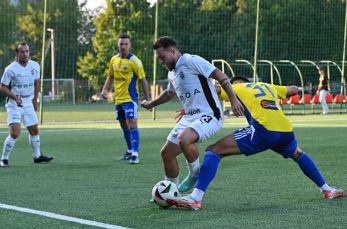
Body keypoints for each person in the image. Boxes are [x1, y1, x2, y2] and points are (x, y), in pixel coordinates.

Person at [168, 76, 344, 210]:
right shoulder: (266, 86)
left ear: (234, 83)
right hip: (285, 130)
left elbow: (211, 89)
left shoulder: (234, 87)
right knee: (298, 154)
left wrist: (192, 107)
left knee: (213, 151)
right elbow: (294, 89)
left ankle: (195, 198)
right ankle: (327, 189)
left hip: (264, 130)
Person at [141, 36, 243, 193]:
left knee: (184, 138)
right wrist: (151, 104)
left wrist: (233, 100)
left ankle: (195, 174)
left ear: (173, 51)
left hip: (211, 114)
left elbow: (221, 76)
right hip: (189, 117)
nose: (161, 62)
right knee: (166, 153)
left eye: (162, 57)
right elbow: (169, 94)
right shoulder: (172, 73)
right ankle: (170, 191)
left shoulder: (191, 61)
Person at [0, 42, 53, 167]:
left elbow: (37, 83)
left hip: (28, 102)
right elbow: (2, 87)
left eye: (27, 51)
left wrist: (35, 100)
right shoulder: (10, 69)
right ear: (17, 54)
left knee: (34, 130)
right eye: (22, 52)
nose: (25, 54)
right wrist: (14, 97)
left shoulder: (35, 65)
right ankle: (4, 159)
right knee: (15, 132)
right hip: (14, 104)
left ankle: (37, 156)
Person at [101, 33, 150, 164]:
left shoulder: (135, 61)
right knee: (124, 125)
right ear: (118, 45)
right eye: (121, 44)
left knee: (132, 123)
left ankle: (135, 153)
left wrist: (148, 99)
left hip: (130, 99)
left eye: (126, 44)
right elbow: (110, 76)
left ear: (130, 45)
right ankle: (129, 150)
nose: (123, 46)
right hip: (118, 100)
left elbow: (143, 80)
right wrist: (105, 90)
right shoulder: (114, 60)